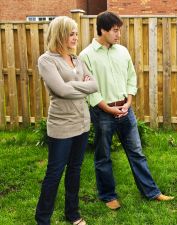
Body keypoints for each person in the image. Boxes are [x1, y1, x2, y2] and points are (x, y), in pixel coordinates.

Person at [79, 11, 174, 210]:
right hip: (103, 113)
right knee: (103, 156)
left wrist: (128, 101)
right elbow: (89, 89)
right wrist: (108, 109)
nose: (118, 35)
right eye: (115, 30)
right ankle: (108, 196)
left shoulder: (122, 51)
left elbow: (131, 77)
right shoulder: (86, 56)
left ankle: (152, 192)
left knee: (137, 153)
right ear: (102, 30)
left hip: (126, 109)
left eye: (119, 31)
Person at [35, 16, 98, 225]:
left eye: (76, 33)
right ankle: (42, 218)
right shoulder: (47, 60)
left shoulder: (77, 59)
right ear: (60, 35)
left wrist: (73, 87)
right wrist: (81, 85)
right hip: (61, 126)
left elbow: (94, 85)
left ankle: (72, 213)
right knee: (54, 172)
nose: (75, 38)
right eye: (71, 33)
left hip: (82, 123)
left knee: (75, 169)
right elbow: (60, 90)